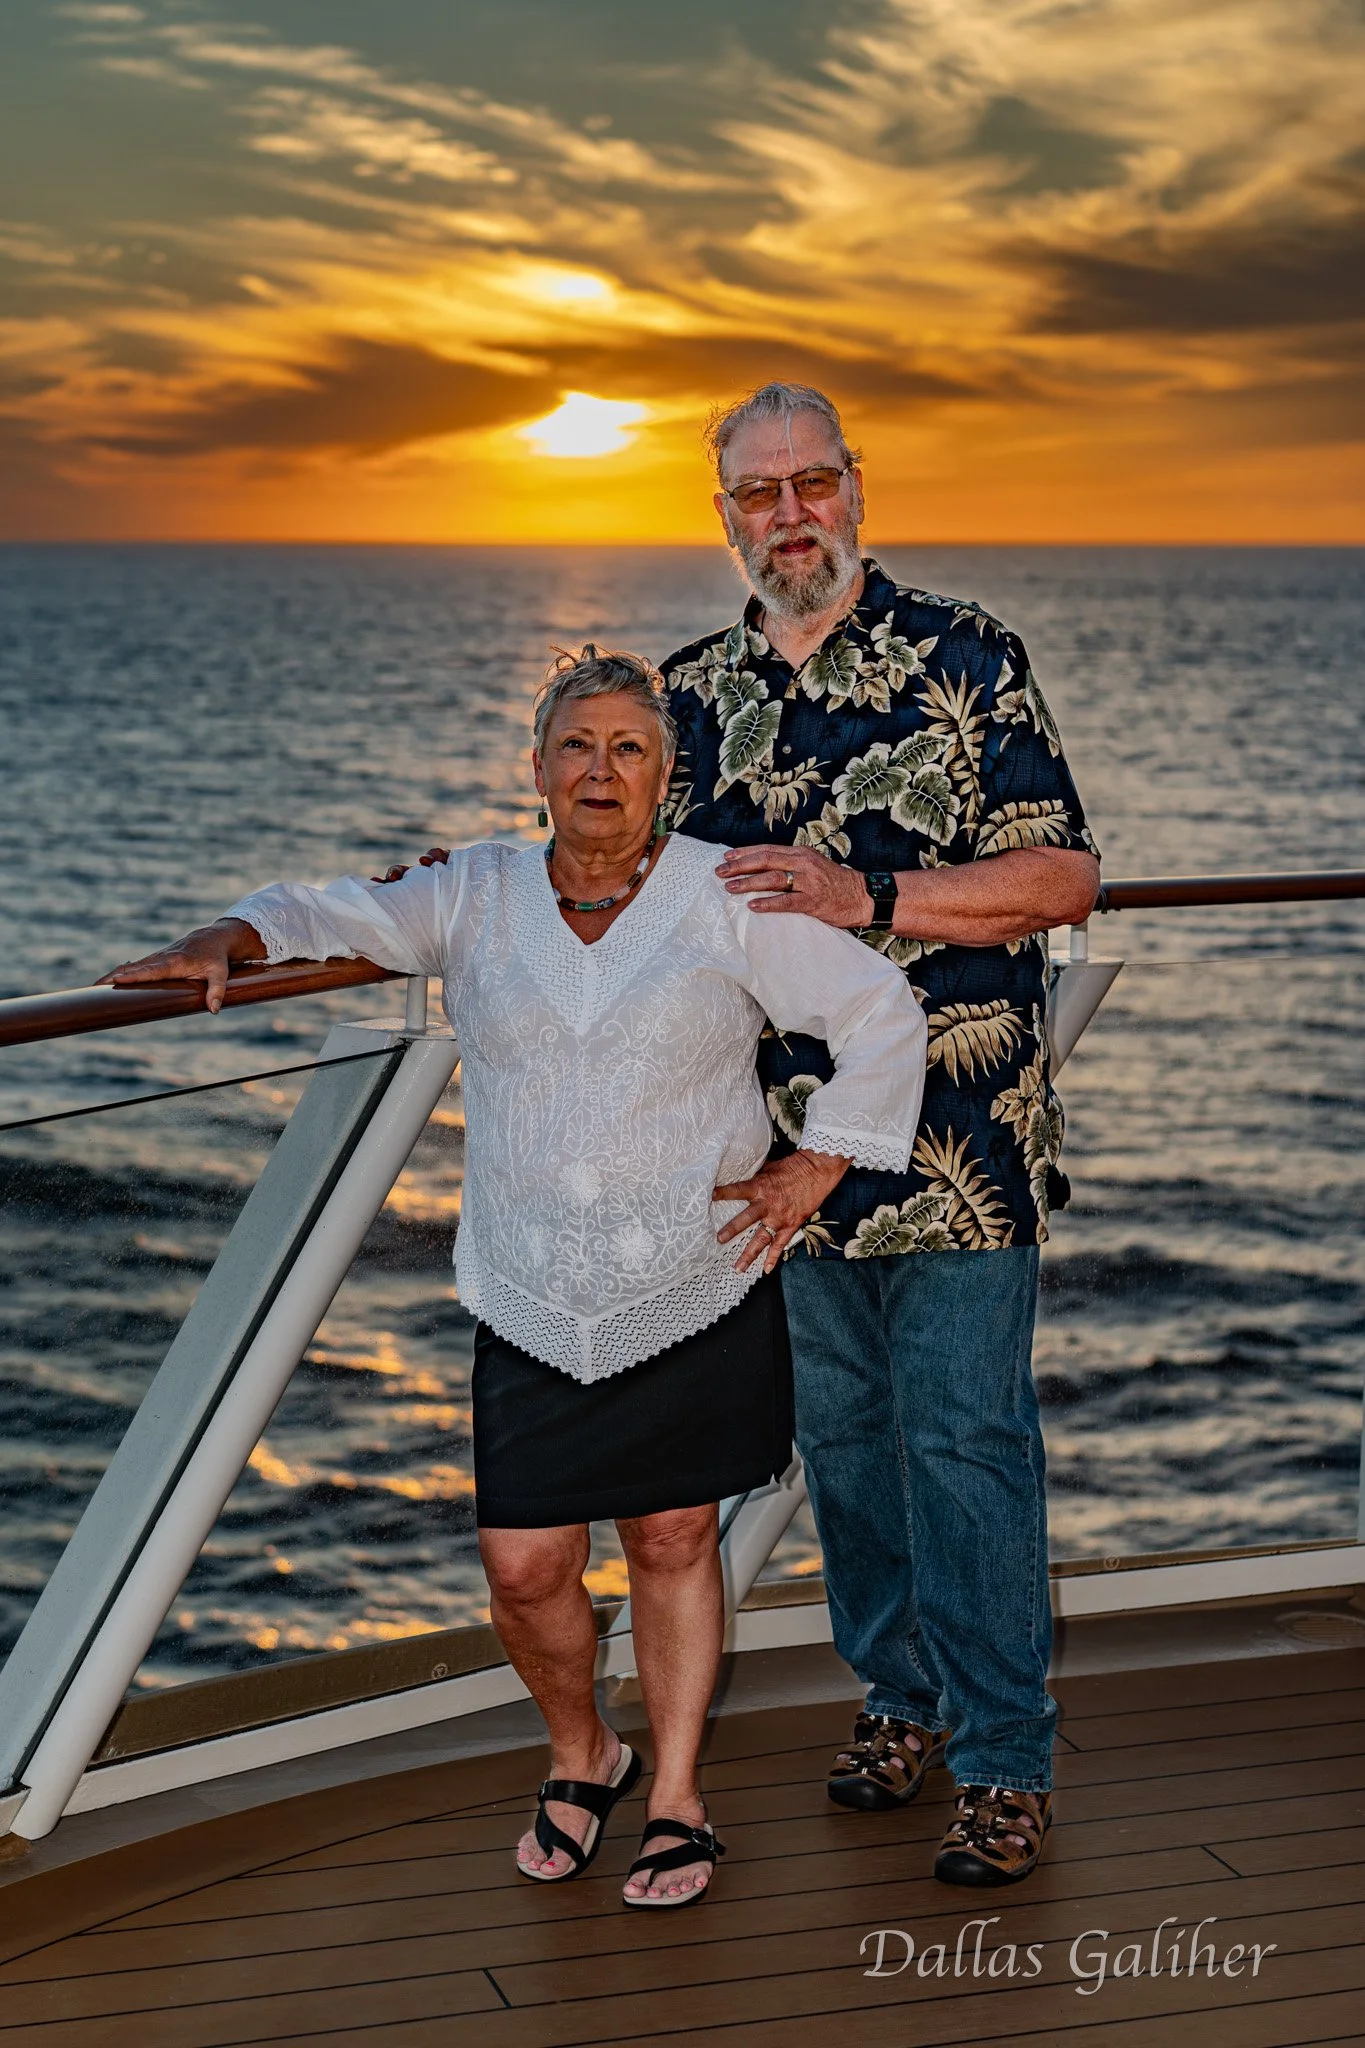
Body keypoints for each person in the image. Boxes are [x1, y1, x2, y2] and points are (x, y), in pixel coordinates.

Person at [101, 645, 926, 1910]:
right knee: (524, 1564)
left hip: (691, 1274)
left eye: (629, 747)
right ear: (535, 765)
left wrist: (815, 1167)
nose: (602, 769)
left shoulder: (726, 896)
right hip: (531, 1291)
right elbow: (325, 910)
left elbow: (880, 1011)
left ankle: (677, 1794)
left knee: (672, 1534)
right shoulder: (472, 890)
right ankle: (583, 1749)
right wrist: (232, 933)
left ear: (665, 773)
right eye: (576, 745)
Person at [658, 382, 1101, 1887]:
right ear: (725, 514)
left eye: (813, 482)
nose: (790, 514)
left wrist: (870, 897)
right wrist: (431, 896)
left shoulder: (967, 656)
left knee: (967, 1443)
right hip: (780, 1157)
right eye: (758, 490)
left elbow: (1062, 879)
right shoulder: (685, 697)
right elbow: (606, 876)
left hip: (960, 1147)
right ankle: (902, 1698)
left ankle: (1005, 1760)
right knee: (844, 1444)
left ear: (856, 487)